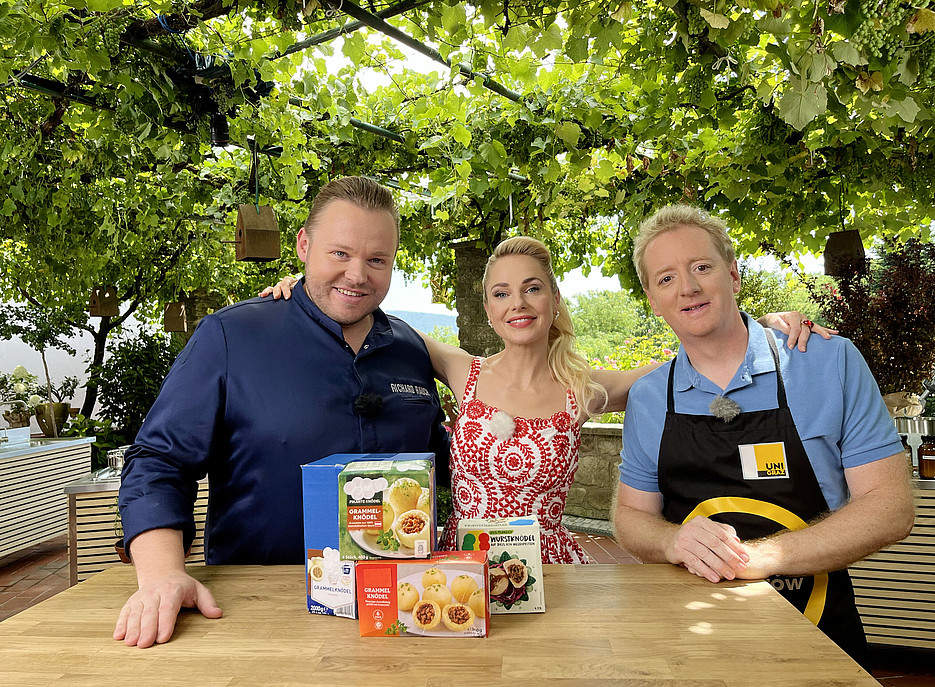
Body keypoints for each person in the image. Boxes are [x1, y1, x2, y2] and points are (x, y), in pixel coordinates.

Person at [267, 236, 824, 564]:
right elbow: (364, 309)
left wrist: (759, 329)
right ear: (488, 309)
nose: (519, 303)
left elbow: (689, 359)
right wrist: (301, 289)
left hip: (552, 569)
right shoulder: (463, 371)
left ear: (554, 298)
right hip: (460, 564)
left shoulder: (581, 391)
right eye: (502, 293)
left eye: (532, 287)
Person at [114, 176, 449, 648]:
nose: (357, 274)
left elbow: (444, 460)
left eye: (377, 260)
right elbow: (159, 462)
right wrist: (162, 575)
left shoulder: (412, 349)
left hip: (403, 610)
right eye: (339, 253)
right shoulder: (232, 336)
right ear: (303, 245)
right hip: (255, 612)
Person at [613, 204, 915, 666]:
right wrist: (670, 542)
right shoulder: (651, 397)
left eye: (701, 267)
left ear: (732, 275)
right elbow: (632, 518)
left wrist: (757, 558)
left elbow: (891, 508)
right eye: (666, 278)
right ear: (653, 301)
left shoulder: (827, 362)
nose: (689, 287)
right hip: (687, 642)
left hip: (818, 636)